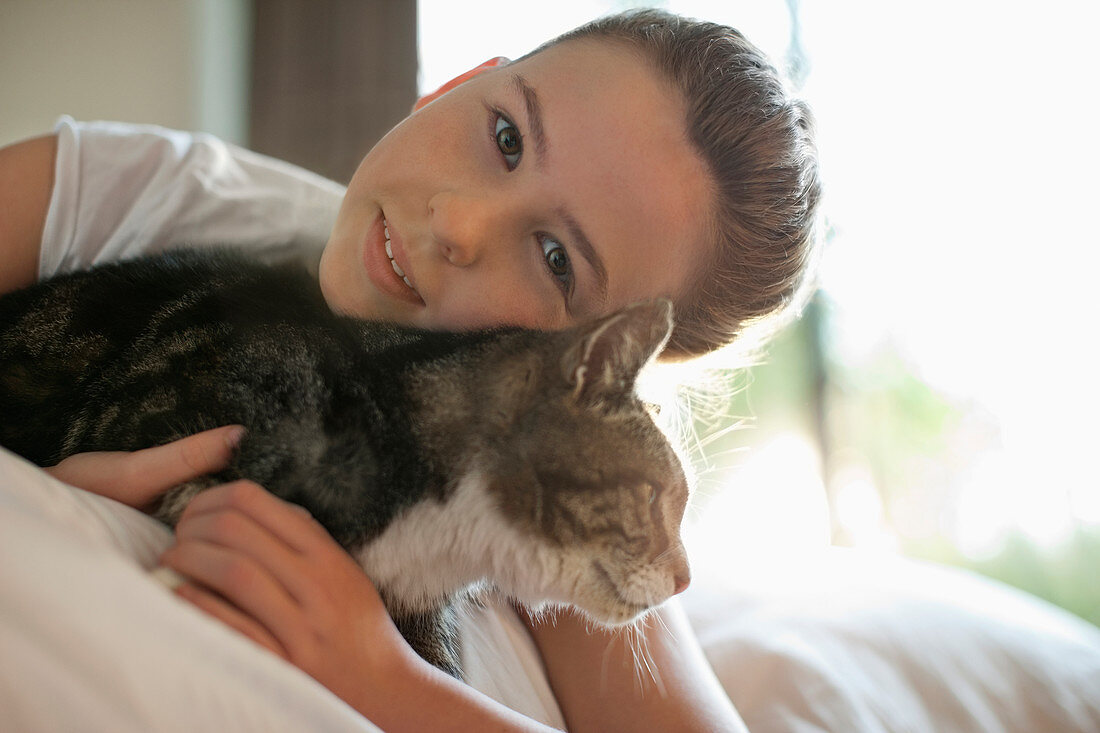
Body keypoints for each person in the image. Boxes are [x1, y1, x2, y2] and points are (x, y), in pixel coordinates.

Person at [0, 8, 820, 732]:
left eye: (556, 259)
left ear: (593, 370)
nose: (458, 224)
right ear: (458, 83)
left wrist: (385, 677)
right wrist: (55, 486)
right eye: (506, 136)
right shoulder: (147, 193)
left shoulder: (537, 468)